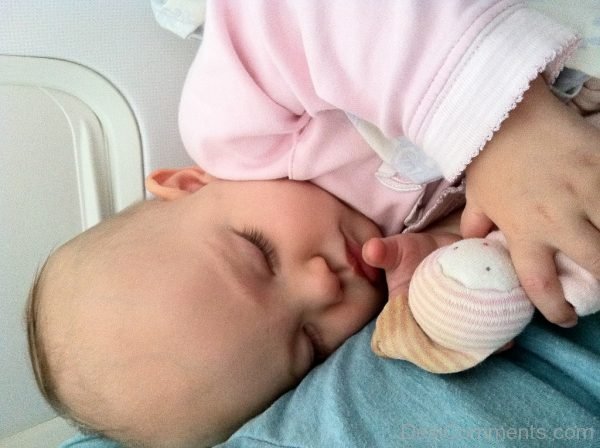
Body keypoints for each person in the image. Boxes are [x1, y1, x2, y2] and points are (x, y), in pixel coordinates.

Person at [26, 1, 600, 447]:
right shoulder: (386, 255)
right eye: (309, 342)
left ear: (190, 184)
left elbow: (311, 17)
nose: (323, 286)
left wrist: (506, 133)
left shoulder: (242, 131)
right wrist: (450, 257)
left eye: (259, 254)